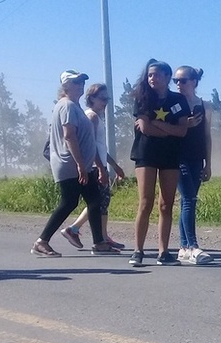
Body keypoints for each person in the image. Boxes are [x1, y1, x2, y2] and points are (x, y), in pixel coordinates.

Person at [31, 70, 116, 257]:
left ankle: (99, 243)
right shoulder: (67, 105)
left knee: (94, 200)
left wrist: (97, 166)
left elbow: (88, 140)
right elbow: (69, 136)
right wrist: (79, 164)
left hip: (82, 164)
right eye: (76, 82)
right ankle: (41, 241)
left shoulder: (74, 106)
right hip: (70, 164)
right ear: (65, 86)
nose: (80, 85)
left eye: (82, 82)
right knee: (69, 202)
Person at [128, 59, 190, 267]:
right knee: (145, 202)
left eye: (156, 74)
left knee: (166, 204)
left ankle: (163, 252)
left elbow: (182, 131)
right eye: (149, 75)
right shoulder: (142, 98)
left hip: (170, 155)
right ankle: (138, 251)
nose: (152, 78)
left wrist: (157, 124)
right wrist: (167, 131)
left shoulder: (178, 100)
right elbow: (145, 129)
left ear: (167, 76)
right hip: (146, 153)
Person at [61, 83, 126, 250]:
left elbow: (101, 147)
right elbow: (91, 146)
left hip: (100, 165)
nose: (105, 102)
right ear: (92, 99)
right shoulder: (91, 117)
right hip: (96, 167)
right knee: (98, 202)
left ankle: (100, 236)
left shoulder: (97, 117)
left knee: (101, 202)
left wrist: (114, 166)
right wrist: (101, 169)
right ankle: (78, 230)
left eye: (107, 99)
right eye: (102, 99)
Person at [174, 65, 213, 265]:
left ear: (194, 82)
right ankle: (193, 246)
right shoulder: (173, 103)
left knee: (186, 201)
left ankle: (183, 248)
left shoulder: (205, 106)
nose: (178, 84)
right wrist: (184, 124)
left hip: (197, 158)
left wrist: (208, 164)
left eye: (182, 80)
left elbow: (207, 135)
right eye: (176, 81)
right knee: (189, 198)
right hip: (177, 157)